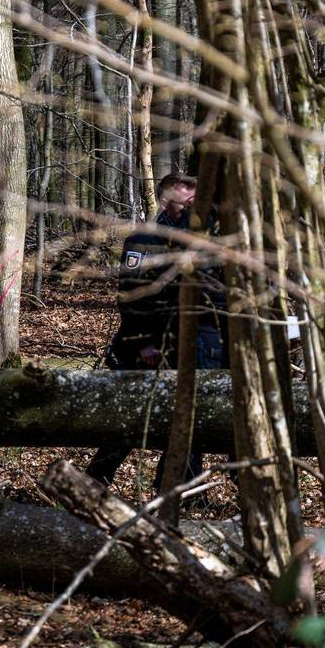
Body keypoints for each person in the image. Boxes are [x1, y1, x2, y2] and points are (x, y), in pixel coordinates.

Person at [87, 174, 229, 487]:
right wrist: (143, 343)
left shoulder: (208, 234)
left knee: (193, 413)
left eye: (196, 192)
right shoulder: (145, 238)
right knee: (139, 412)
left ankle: (178, 486)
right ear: (166, 197)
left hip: (200, 340)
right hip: (152, 343)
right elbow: (132, 295)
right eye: (185, 192)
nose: (193, 197)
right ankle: (98, 476)